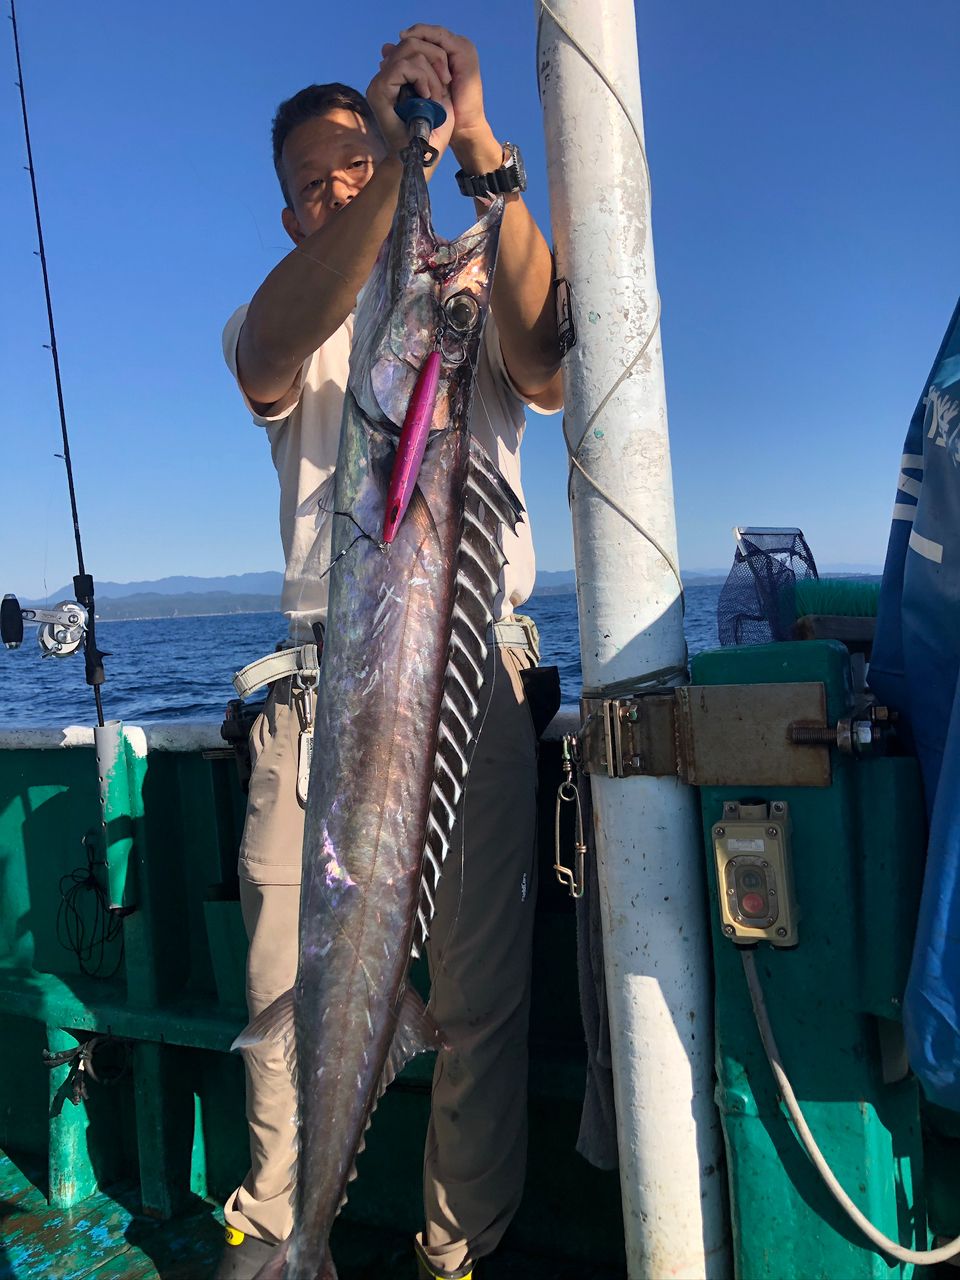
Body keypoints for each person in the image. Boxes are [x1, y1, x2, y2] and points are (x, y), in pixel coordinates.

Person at [214, 24, 563, 1280]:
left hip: (470, 680)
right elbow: (268, 342)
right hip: (321, 697)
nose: (336, 191)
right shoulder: (290, 325)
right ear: (291, 213)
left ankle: (451, 1253)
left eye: (351, 167)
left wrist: (469, 140)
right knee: (280, 1006)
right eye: (310, 184)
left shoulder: (457, 309)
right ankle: (280, 1230)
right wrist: (388, 153)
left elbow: (548, 349)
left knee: (474, 1006)